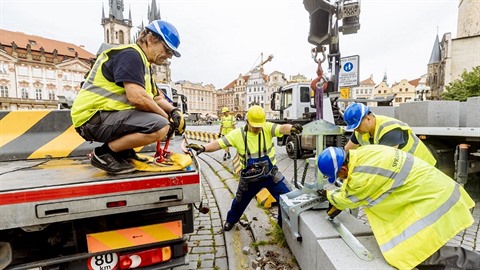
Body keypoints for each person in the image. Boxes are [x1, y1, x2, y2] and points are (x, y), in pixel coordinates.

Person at [317, 145, 480, 270]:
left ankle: (474, 262)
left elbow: (348, 199)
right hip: (433, 191)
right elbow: (353, 185)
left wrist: (328, 195)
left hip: (434, 201)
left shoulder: (361, 178)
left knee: (415, 253)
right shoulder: (364, 153)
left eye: (339, 175)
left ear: (343, 169)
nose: (341, 178)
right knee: (424, 250)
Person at [71, 20, 185, 175]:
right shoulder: (131, 55)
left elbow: (155, 98)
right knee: (160, 126)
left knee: (159, 121)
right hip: (92, 118)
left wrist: (174, 111)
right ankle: (104, 154)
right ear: (151, 39)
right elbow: (137, 97)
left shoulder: (144, 64)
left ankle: (123, 152)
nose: (168, 56)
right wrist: (166, 118)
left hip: (103, 116)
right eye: (167, 50)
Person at [187, 105, 303, 231]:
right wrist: (203, 148)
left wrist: (292, 128)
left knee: (287, 197)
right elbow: (219, 144)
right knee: (239, 201)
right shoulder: (237, 135)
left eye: (260, 125)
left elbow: (282, 128)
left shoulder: (267, 127)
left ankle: (282, 227)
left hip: (270, 174)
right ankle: (231, 220)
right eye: (255, 126)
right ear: (247, 121)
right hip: (250, 178)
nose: (258, 128)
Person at [343, 103, 436, 166]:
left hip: (423, 167)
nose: (355, 129)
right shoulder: (360, 131)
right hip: (406, 169)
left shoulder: (390, 130)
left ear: (368, 118)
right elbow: (347, 151)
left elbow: (383, 163)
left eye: (358, 125)